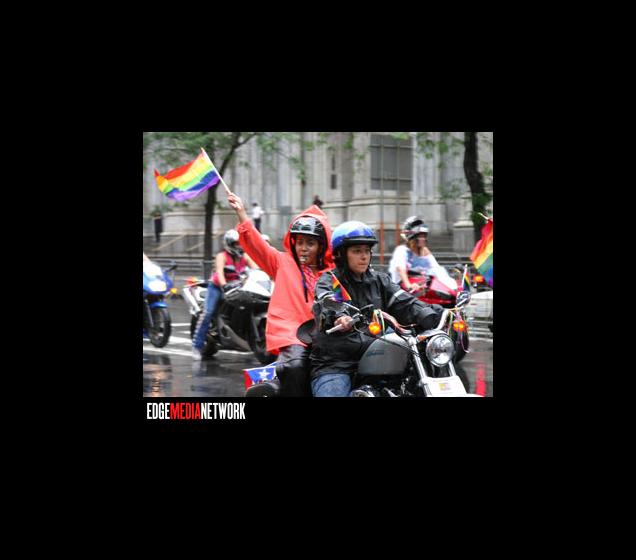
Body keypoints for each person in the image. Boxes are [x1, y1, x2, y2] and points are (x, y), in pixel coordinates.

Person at [309, 221, 443, 397]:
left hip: (377, 356)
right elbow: (329, 302)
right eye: (357, 251)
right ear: (341, 254)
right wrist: (340, 317)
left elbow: (405, 301)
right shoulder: (331, 280)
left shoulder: (380, 280)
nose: (364, 256)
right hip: (337, 362)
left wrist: (434, 313)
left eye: (367, 251)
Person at [227, 190, 334, 396]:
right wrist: (241, 213)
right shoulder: (282, 262)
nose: (303, 248)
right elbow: (257, 245)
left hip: (326, 335)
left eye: (310, 243)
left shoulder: (332, 272)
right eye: (300, 242)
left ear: (322, 246)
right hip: (291, 333)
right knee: (295, 366)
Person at [192, 229, 258, 360]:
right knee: (208, 313)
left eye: (241, 243)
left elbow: (256, 269)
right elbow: (220, 273)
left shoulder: (244, 256)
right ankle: (197, 346)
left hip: (237, 286)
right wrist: (223, 285)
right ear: (229, 244)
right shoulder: (221, 256)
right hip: (217, 287)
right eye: (236, 243)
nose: (239, 246)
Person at [388, 216, 455, 292]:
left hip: (420, 285)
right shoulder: (402, 250)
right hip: (402, 288)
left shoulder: (424, 251)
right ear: (412, 238)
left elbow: (436, 268)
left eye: (424, 236)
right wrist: (408, 285)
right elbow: (401, 270)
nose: (423, 239)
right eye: (420, 236)